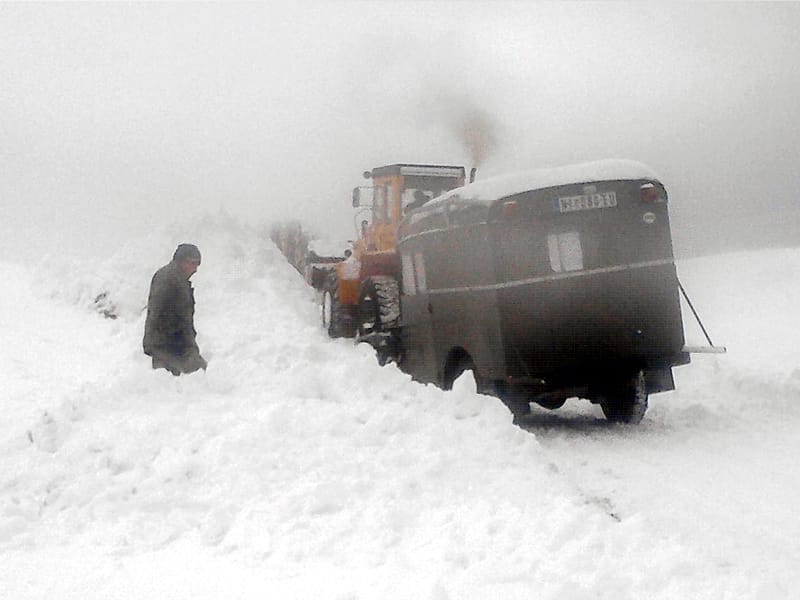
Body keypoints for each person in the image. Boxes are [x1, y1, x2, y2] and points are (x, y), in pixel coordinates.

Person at [143, 243, 208, 375]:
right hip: (167, 347)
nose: (195, 269)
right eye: (193, 264)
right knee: (173, 386)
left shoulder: (176, 279)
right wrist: (184, 347)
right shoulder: (169, 280)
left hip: (172, 345)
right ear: (183, 261)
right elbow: (162, 316)